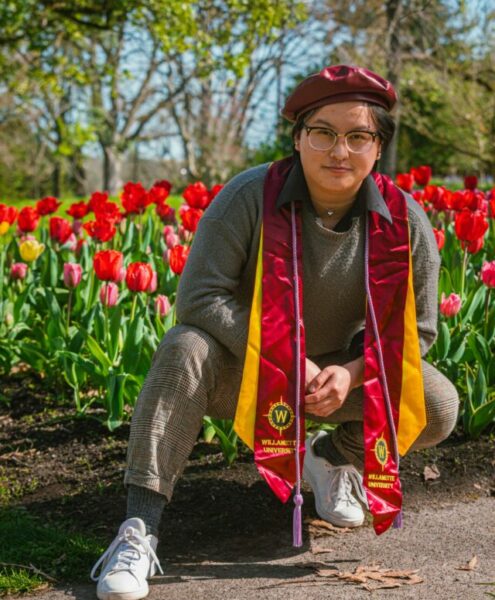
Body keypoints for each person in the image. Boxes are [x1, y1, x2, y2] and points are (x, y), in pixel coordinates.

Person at [90, 64, 459, 600]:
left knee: (437, 401)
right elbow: (199, 299)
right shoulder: (249, 198)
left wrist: (352, 374)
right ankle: (138, 529)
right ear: (297, 138)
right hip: (249, 370)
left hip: (338, 378)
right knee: (183, 347)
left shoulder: (403, 220)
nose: (339, 150)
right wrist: (288, 354)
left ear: (379, 148)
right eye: (323, 133)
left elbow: (418, 331)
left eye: (359, 136)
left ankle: (333, 459)